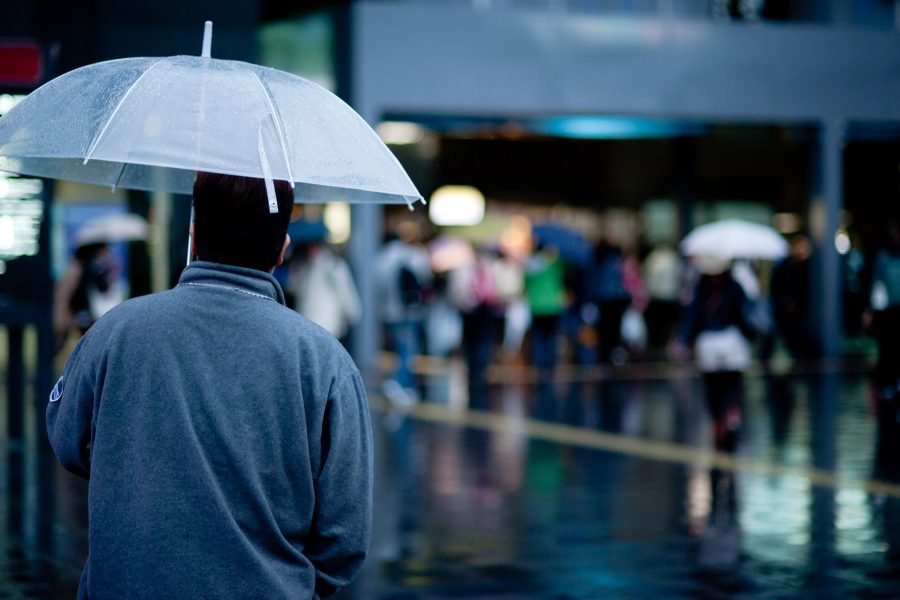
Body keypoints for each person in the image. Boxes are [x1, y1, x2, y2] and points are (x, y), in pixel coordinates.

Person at [46, 172, 373, 599]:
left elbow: (68, 441)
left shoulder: (116, 332)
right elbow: (344, 536)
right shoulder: (325, 361)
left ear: (194, 236)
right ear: (282, 249)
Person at [673, 255, 756, 454]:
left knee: (714, 388)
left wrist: (683, 340)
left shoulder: (701, 288)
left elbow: (692, 317)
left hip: (708, 344)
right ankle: (731, 416)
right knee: (732, 385)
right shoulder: (734, 287)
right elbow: (744, 316)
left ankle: (719, 421)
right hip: (731, 342)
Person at [374, 221, 434, 404]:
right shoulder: (414, 255)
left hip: (389, 311)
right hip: (409, 311)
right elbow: (426, 278)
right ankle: (399, 383)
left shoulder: (381, 257)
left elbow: (376, 285)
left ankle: (400, 383)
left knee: (397, 348)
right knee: (407, 350)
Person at [288, 238, 362, 343]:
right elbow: (294, 290)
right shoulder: (305, 266)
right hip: (308, 323)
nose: (310, 250)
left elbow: (344, 289)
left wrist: (352, 312)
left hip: (327, 324)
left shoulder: (333, 264)